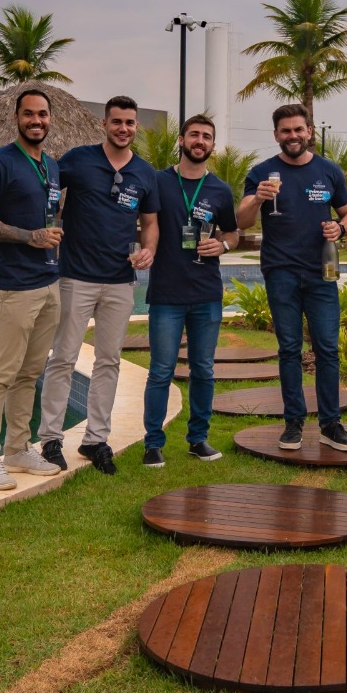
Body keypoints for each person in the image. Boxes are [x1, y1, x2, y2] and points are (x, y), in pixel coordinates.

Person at [38, 96, 159, 475]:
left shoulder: (145, 173)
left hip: (120, 282)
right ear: (104, 124)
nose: (124, 128)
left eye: (130, 122)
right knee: (63, 358)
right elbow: (47, 191)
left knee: (109, 361)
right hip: (76, 277)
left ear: (136, 126)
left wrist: (149, 249)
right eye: (117, 122)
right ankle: (50, 438)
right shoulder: (78, 159)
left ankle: (95, 440)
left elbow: (150, 222)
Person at [238, 103, 347, 452]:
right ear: (276, 134)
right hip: (281, 272)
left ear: (309, 131)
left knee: (327, 349)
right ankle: (293, 423)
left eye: (298, 129)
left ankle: (331, 424)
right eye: (285, 131)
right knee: (289, 348)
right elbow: (242, 221)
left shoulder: (328, 171)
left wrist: (341, 227)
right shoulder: (261, 172)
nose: (292, 136)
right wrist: (256, 200)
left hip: (322, 272)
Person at [0, 89, 65, 489]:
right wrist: (29, 236)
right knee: (1, 373)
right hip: (11, 285)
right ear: (17, 117)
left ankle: (18, 448)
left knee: (29, 373)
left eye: (42, 114)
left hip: (47, 282)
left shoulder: (51, 166)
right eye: (29, 114)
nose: (36, 120)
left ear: (50, 119)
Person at [142, 114, 238, 468]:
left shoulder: (220, 190)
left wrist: (222, 246)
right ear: (181, 140)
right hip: (166, 292)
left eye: (207, 136)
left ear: (212, 145)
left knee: (204, 370)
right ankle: (153, 443)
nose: (200, 141)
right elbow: (143, 222)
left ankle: (198, 439)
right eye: (194, 135)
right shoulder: (157, 181)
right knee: (160, 371)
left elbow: (233, 232)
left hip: (206, 293)